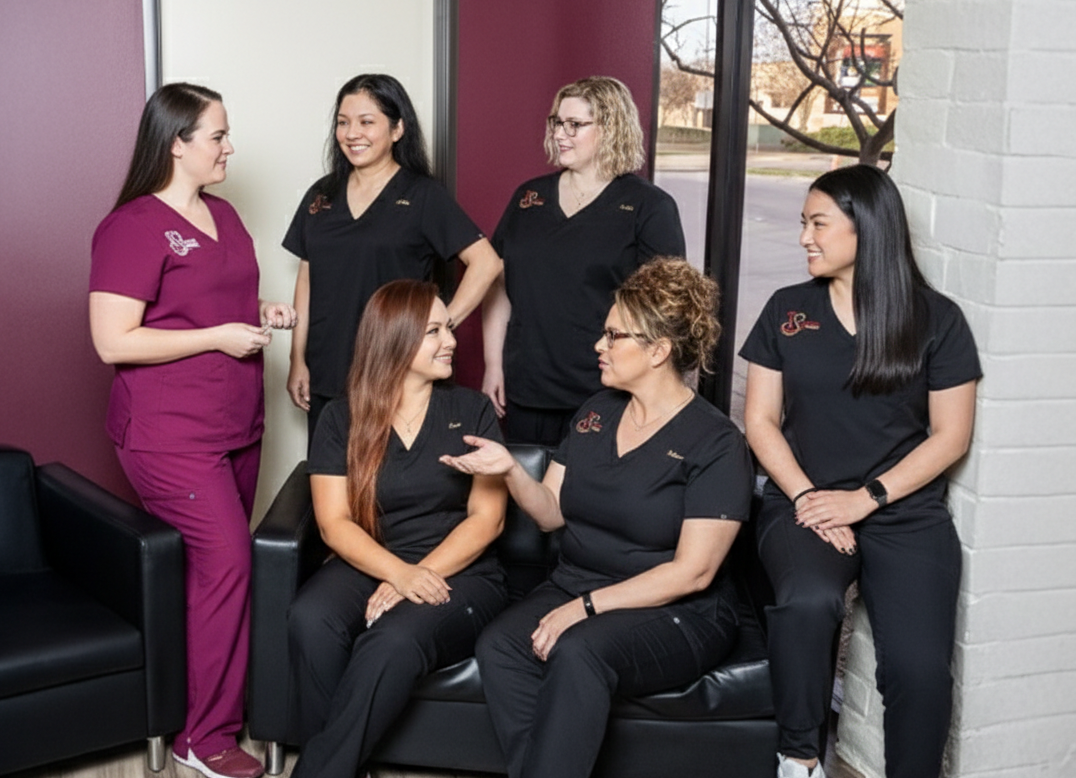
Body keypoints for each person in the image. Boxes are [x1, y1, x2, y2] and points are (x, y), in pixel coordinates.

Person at [444, 258, 753, 778]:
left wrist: (586, 609)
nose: (598, 346)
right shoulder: (595, 412)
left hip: (678, 609)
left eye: (614, 336)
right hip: (577, 584)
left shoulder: (717, 443)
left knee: (579, 652)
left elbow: (693, 572)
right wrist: (510, 472)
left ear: (658, 351)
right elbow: (551, 514)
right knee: (501, 646)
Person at [739, 165, 980, 778]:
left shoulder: (937, 319)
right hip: (803, 501)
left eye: (818, 223)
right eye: (802, 223)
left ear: (866, 229)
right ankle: (799, 761)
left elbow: (952, 436)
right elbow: (761, 421)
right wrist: (810, 497)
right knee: (809, 602)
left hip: (903, 510)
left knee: (919, 670)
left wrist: (864, 500)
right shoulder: (787, 310)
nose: (804, 239)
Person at [89, 83, 297, 778]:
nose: (229, 147)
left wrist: (261, 311)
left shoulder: (225, 215)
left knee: (216, 579)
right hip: (169, 433)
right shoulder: (132, 226)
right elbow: (113, 341)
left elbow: (213, 298)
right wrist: (215, 335)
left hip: (238, 421)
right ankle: (202, 740)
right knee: (229, 565)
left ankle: (208, 714)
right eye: (217, 135)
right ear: (177, 142)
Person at [286, 280, 509, 778]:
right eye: (434, 331)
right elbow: (333, 521)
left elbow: (487, 520)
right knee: (310, 618)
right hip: (372, 559)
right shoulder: (341, 418)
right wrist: (397, 574)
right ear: (394, 337)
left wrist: (416, 575)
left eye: (448, 328)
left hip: (460, 570)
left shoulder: (471, 410)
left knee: (392, 640)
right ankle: (349, 767)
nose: (451, 340)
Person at [283, 73, 502, 448]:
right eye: (343, 122)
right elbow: (307, 278)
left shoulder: (423, 196)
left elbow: (487, 263)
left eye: (367, 122)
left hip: (396, 374)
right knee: (330, 490)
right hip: (327, 371)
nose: (352, 133)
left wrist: (435, 327)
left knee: (389, 493)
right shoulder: (321, 195)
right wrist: (297, 359)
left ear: (398, 129)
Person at [481, 76, 686, 447]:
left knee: (588, 503)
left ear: (610, 129)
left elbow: (666, 312)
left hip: (607, 392)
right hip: (527, 390)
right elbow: (498, 287)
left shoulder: (649, 207)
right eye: (557, 123)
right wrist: (493, 365)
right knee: (528, 500)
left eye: (575, 125)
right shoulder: (529, 198)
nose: (561, 133)